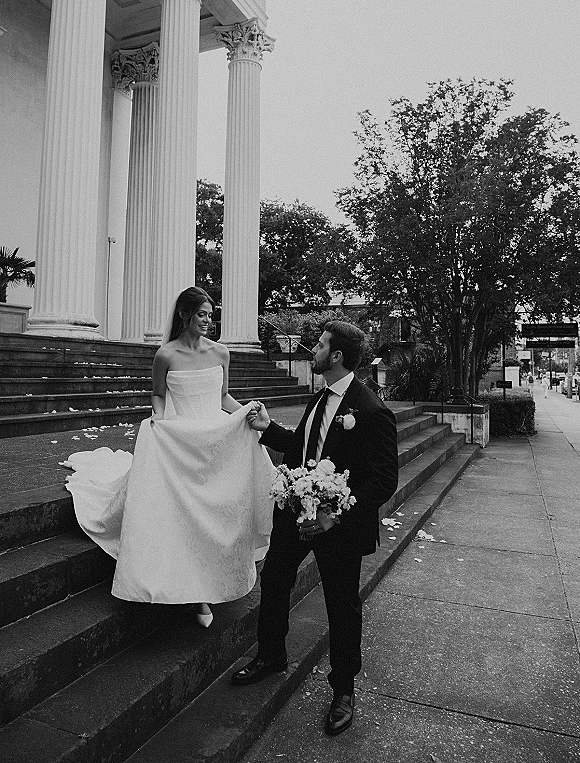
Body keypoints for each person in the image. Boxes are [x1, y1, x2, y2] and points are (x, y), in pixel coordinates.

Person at [64, 287, 274, 627]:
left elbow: (222, 398)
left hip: (215, 441)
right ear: (184, 315)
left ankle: (214, 581)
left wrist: (248, 411)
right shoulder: (166, 355)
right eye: (202, 314)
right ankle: (197, 594)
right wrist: (160, 422)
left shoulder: (221, 353)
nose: (208, 320)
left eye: (211, 314)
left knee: (215, 511)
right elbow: (158, 396)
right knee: (185, 512)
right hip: (180, 441)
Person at [231, 321, 398, 736]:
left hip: (339, 526)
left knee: (342, 608)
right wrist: (267, 427)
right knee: (274, 580)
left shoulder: (372, 411)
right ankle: (271, 655)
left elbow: (383, 480)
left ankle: (343, 690)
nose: (314, 349)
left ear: (336, 356)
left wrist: (333, 515)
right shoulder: (319, 397)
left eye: (321, 345)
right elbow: (304, 448)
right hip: (295, 513)